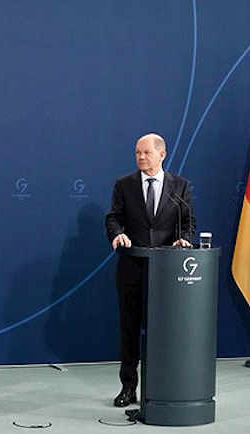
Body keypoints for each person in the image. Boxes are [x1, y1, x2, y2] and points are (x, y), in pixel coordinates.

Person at [104, 133, 194, 407]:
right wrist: (117, 234)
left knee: (162, 332)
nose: (141, 157)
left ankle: (160, 388)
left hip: (166, 273)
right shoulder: (124, 185)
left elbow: (187, 222)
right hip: (132, 268)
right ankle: (128, 388)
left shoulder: (180, 186)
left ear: (162, 155)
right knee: (130, 331)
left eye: (146, 153)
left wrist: (185, 239)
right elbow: (113, 218)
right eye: (137, 153)